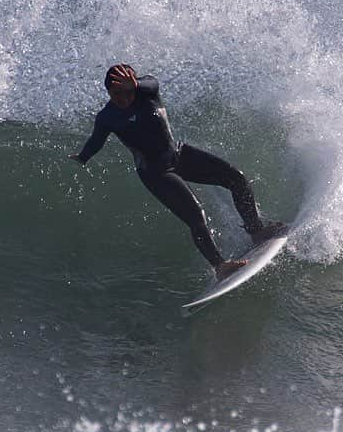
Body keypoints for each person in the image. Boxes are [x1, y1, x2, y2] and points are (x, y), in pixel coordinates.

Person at [69, 64, 284, 279]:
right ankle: (221, 266)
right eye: (116, 94)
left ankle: (256, 231)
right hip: (154, 172)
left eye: (128, 92)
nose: (123, 98)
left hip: (178, 155)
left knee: (236, 179)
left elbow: (152, 81)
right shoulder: (107, 117)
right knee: (195, 215)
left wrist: (136, 85)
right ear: (108, 92)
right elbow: (96, 141)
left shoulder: (147, 91)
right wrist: (83, 157)